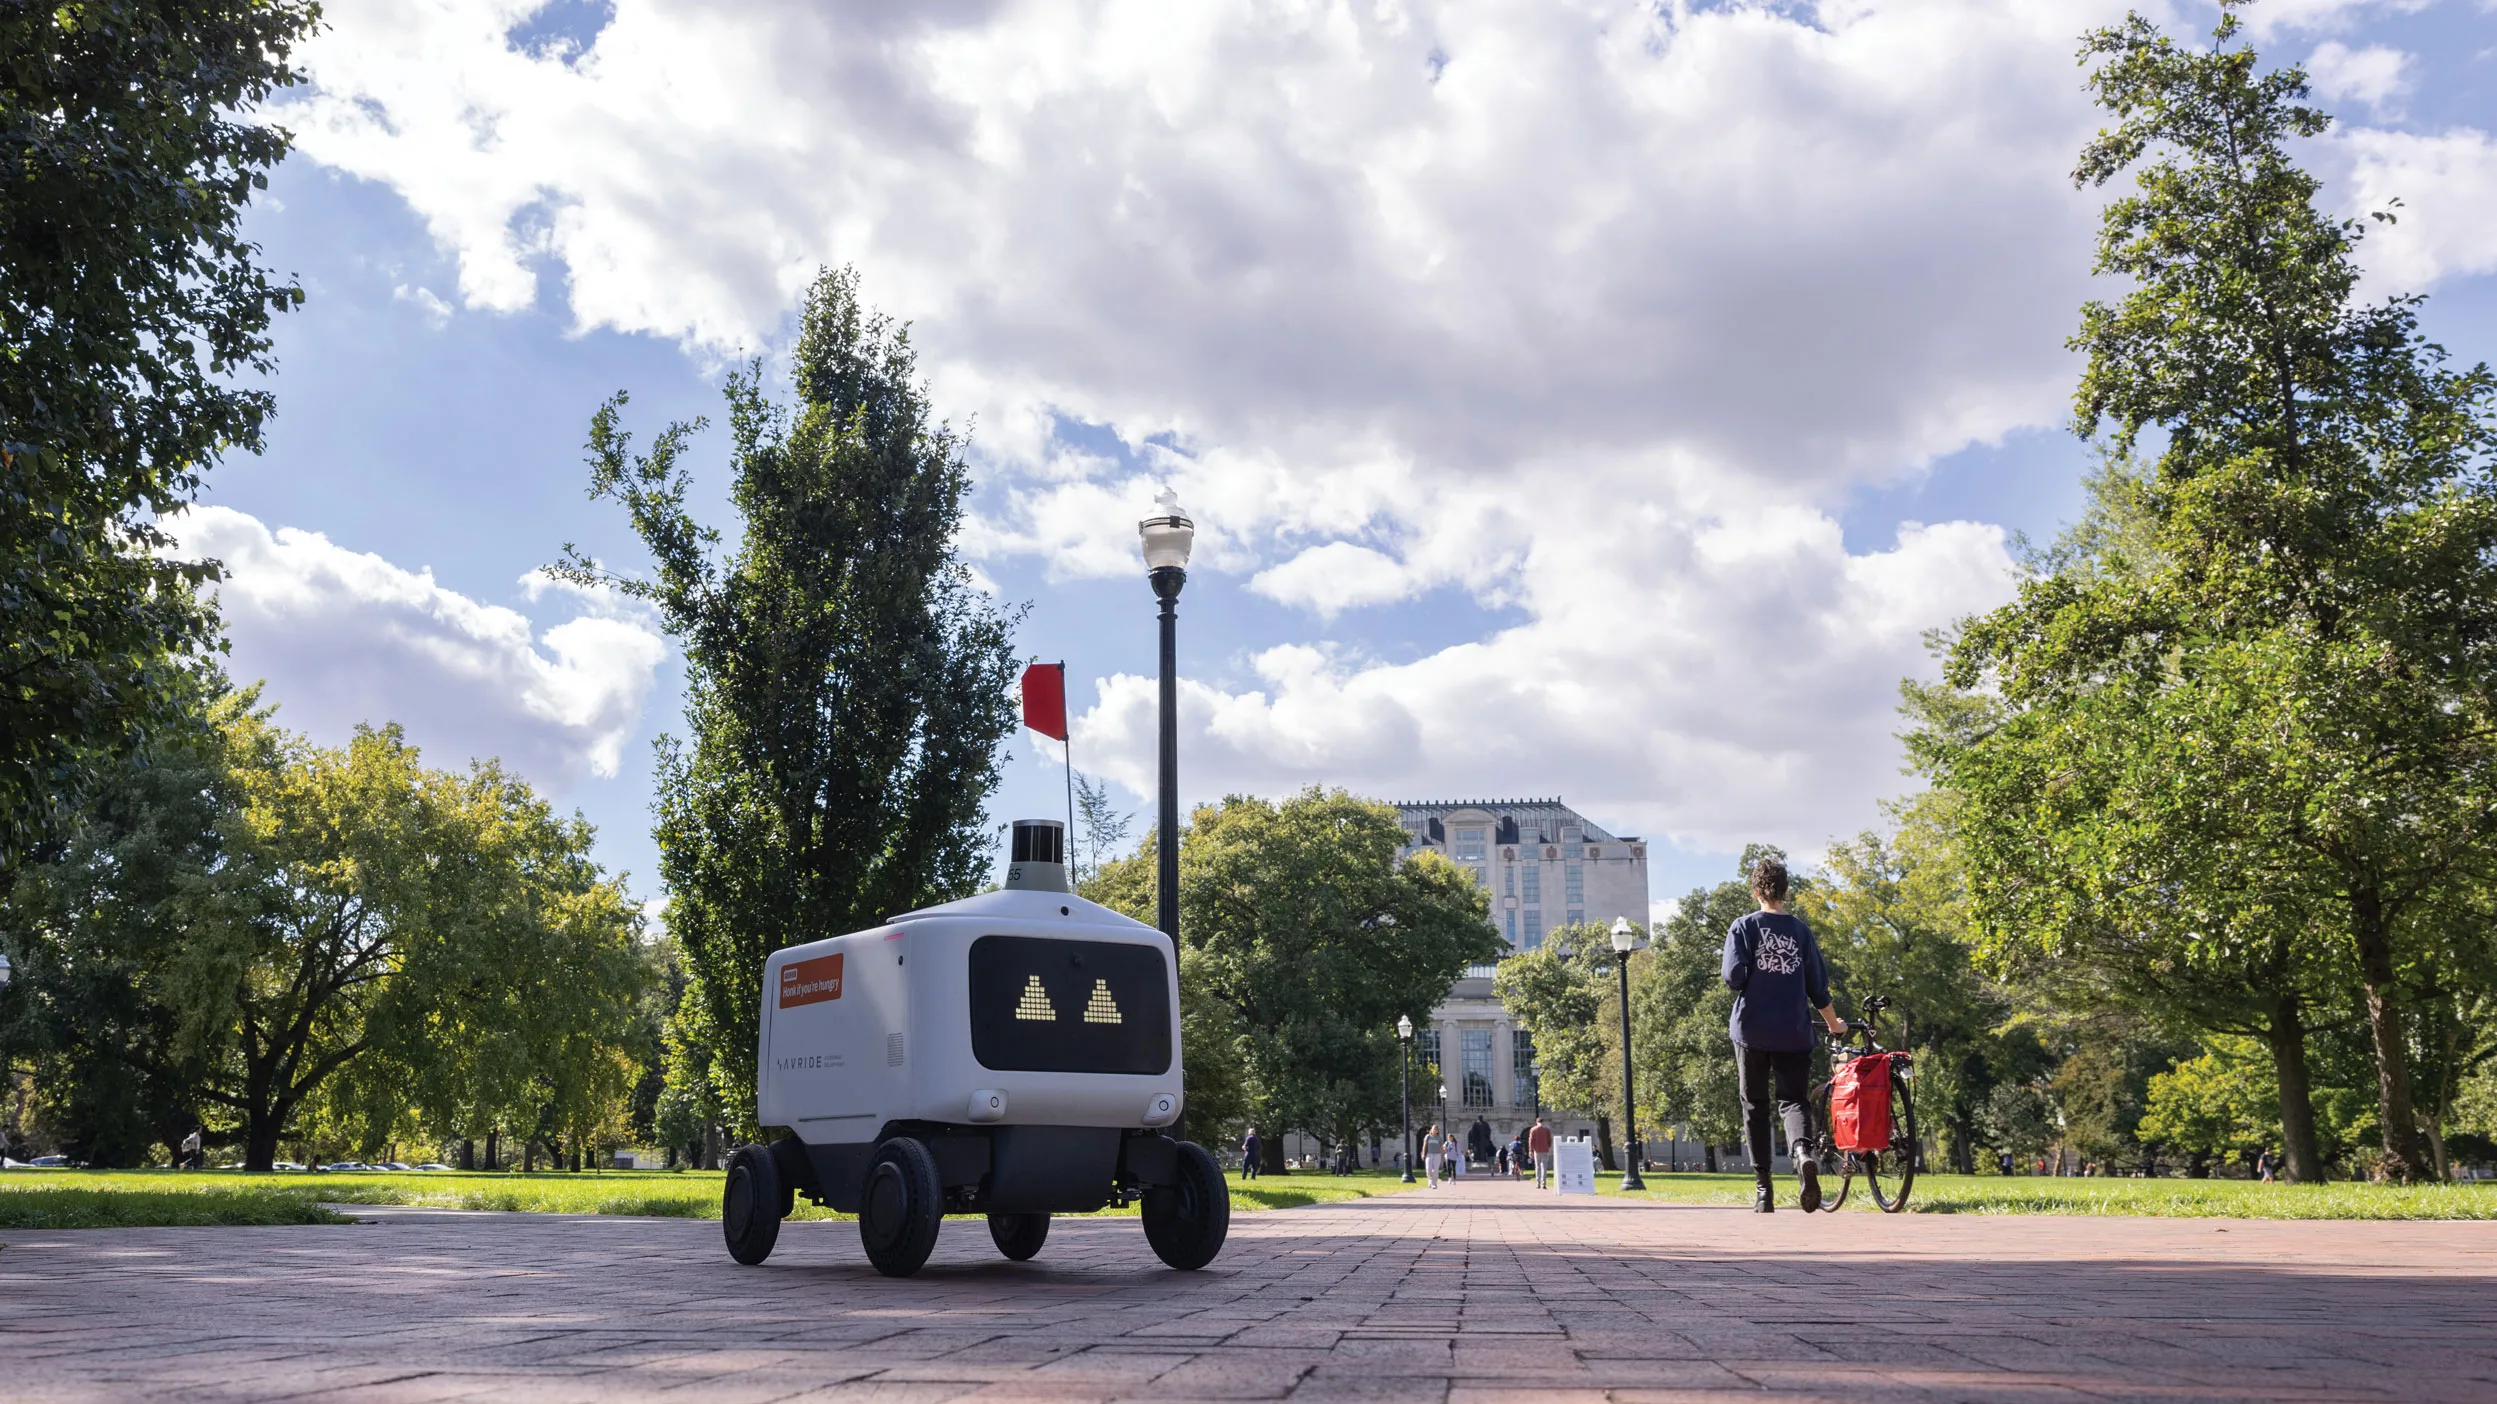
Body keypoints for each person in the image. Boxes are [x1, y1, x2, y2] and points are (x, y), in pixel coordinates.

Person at [1722, 855, 1846, 1213]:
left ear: (1757, 890)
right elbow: (1818, 989)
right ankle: (1802, 1152)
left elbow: (1733, 978)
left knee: (1755, 1106)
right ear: (1784, 891)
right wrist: (1835, 1024)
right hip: (1794, 1030)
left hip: (1752, 1031)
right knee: (1793, 1101)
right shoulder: (1801, 932)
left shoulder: (1744, 927)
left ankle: (1764, 1190)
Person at [1528, 1116, 1554, 1189]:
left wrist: (1530, 1150)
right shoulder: (1547, 1130)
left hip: (1537, 1150)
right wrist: (1548, 1146)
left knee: (1537, 1167)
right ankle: (1544, 1183)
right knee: (1544, 1167)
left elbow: (1530, 1140)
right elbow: (1550, 1140)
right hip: (1545, 1150)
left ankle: (1538, 1183)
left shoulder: (1533, 1129)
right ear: (1543, 1122)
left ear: (1536, 1122)